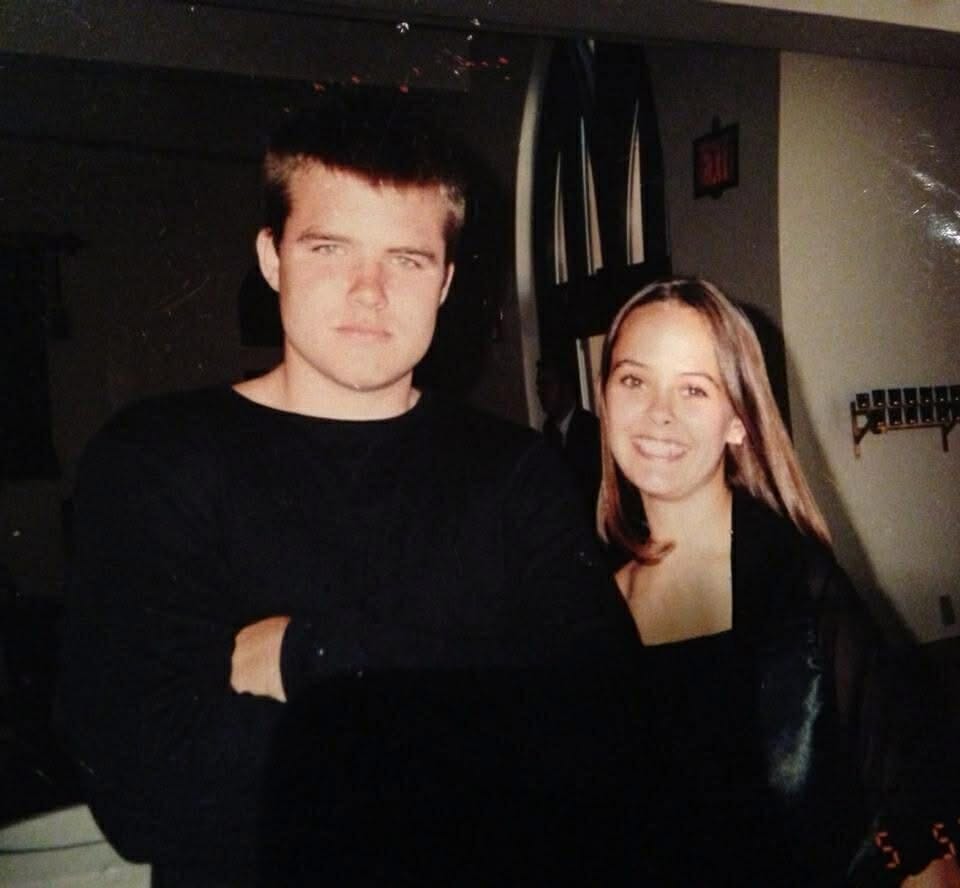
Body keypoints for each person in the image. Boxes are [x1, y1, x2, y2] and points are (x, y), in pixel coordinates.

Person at [56, 94, 639, 886]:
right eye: (330, 249)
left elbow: (605, 744)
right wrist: (473, 721)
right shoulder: (156, 459)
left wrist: (308, 656)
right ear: (272, 258)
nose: (370, 291)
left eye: (407, 260)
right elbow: (148, 798)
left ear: (445, 282)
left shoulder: (515, 471)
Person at [595, 277, 960, 887]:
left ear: (738, 421)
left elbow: (924, 848)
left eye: (694, 389)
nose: (660, 413)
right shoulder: (589, 605)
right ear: (604, 397)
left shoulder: (800, 590)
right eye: (634, 380)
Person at [536, 351, 602, 522]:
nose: (540, 392)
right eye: (538, 385)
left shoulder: (591, 430)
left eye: (546, 384)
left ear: (565, 387)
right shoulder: (548, 432)